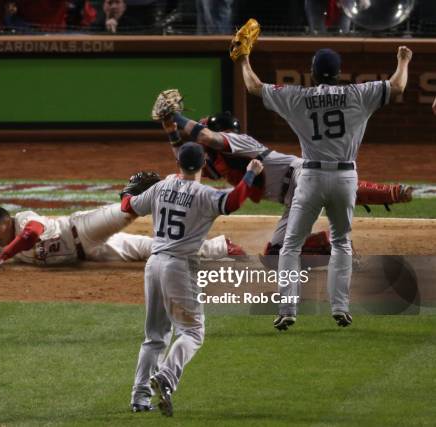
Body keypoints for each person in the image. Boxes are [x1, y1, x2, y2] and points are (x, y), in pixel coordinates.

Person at [238, 45, 412, 330]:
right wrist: (403, 60)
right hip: (345, 178)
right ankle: (340, 308)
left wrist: (243, 58)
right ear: (339, 73)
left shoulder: (298, 97)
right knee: (341, 241)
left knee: (291, 246)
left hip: (311, 177)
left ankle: (287, 310)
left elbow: (253, 86)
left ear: (313, 73)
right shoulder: (359, 93)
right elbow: (397, 86)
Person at [161, 110, 413, 269]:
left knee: (338, 188)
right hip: (291, 196)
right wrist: (172, 130)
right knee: (274, 257)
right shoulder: (221, 161)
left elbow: (205, 138)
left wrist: (177, 116)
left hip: (302, 175)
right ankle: (330, 244)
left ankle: (390, 193)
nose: (202, 133)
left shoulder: (239, 142)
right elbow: (188, 162)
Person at [124, 142, 263, 416]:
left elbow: (129, 206)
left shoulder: (160, 186)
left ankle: (139, 398)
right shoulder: (203, 193)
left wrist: (126, 192)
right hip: (179, 267)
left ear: (179, 164)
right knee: (193, 332)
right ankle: (166, 376)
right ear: (203, 165)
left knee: (154, 337)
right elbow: (233, 202)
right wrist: (251, 173)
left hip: (154, 265)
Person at [0, 203, 242, 268]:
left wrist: (3, 256)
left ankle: (157, 193)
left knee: (127, 210)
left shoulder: (23, 220)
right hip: (95, 253)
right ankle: (220, 247)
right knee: (156, 251)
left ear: (6, 223)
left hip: (82, 229)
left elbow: (31, 235)